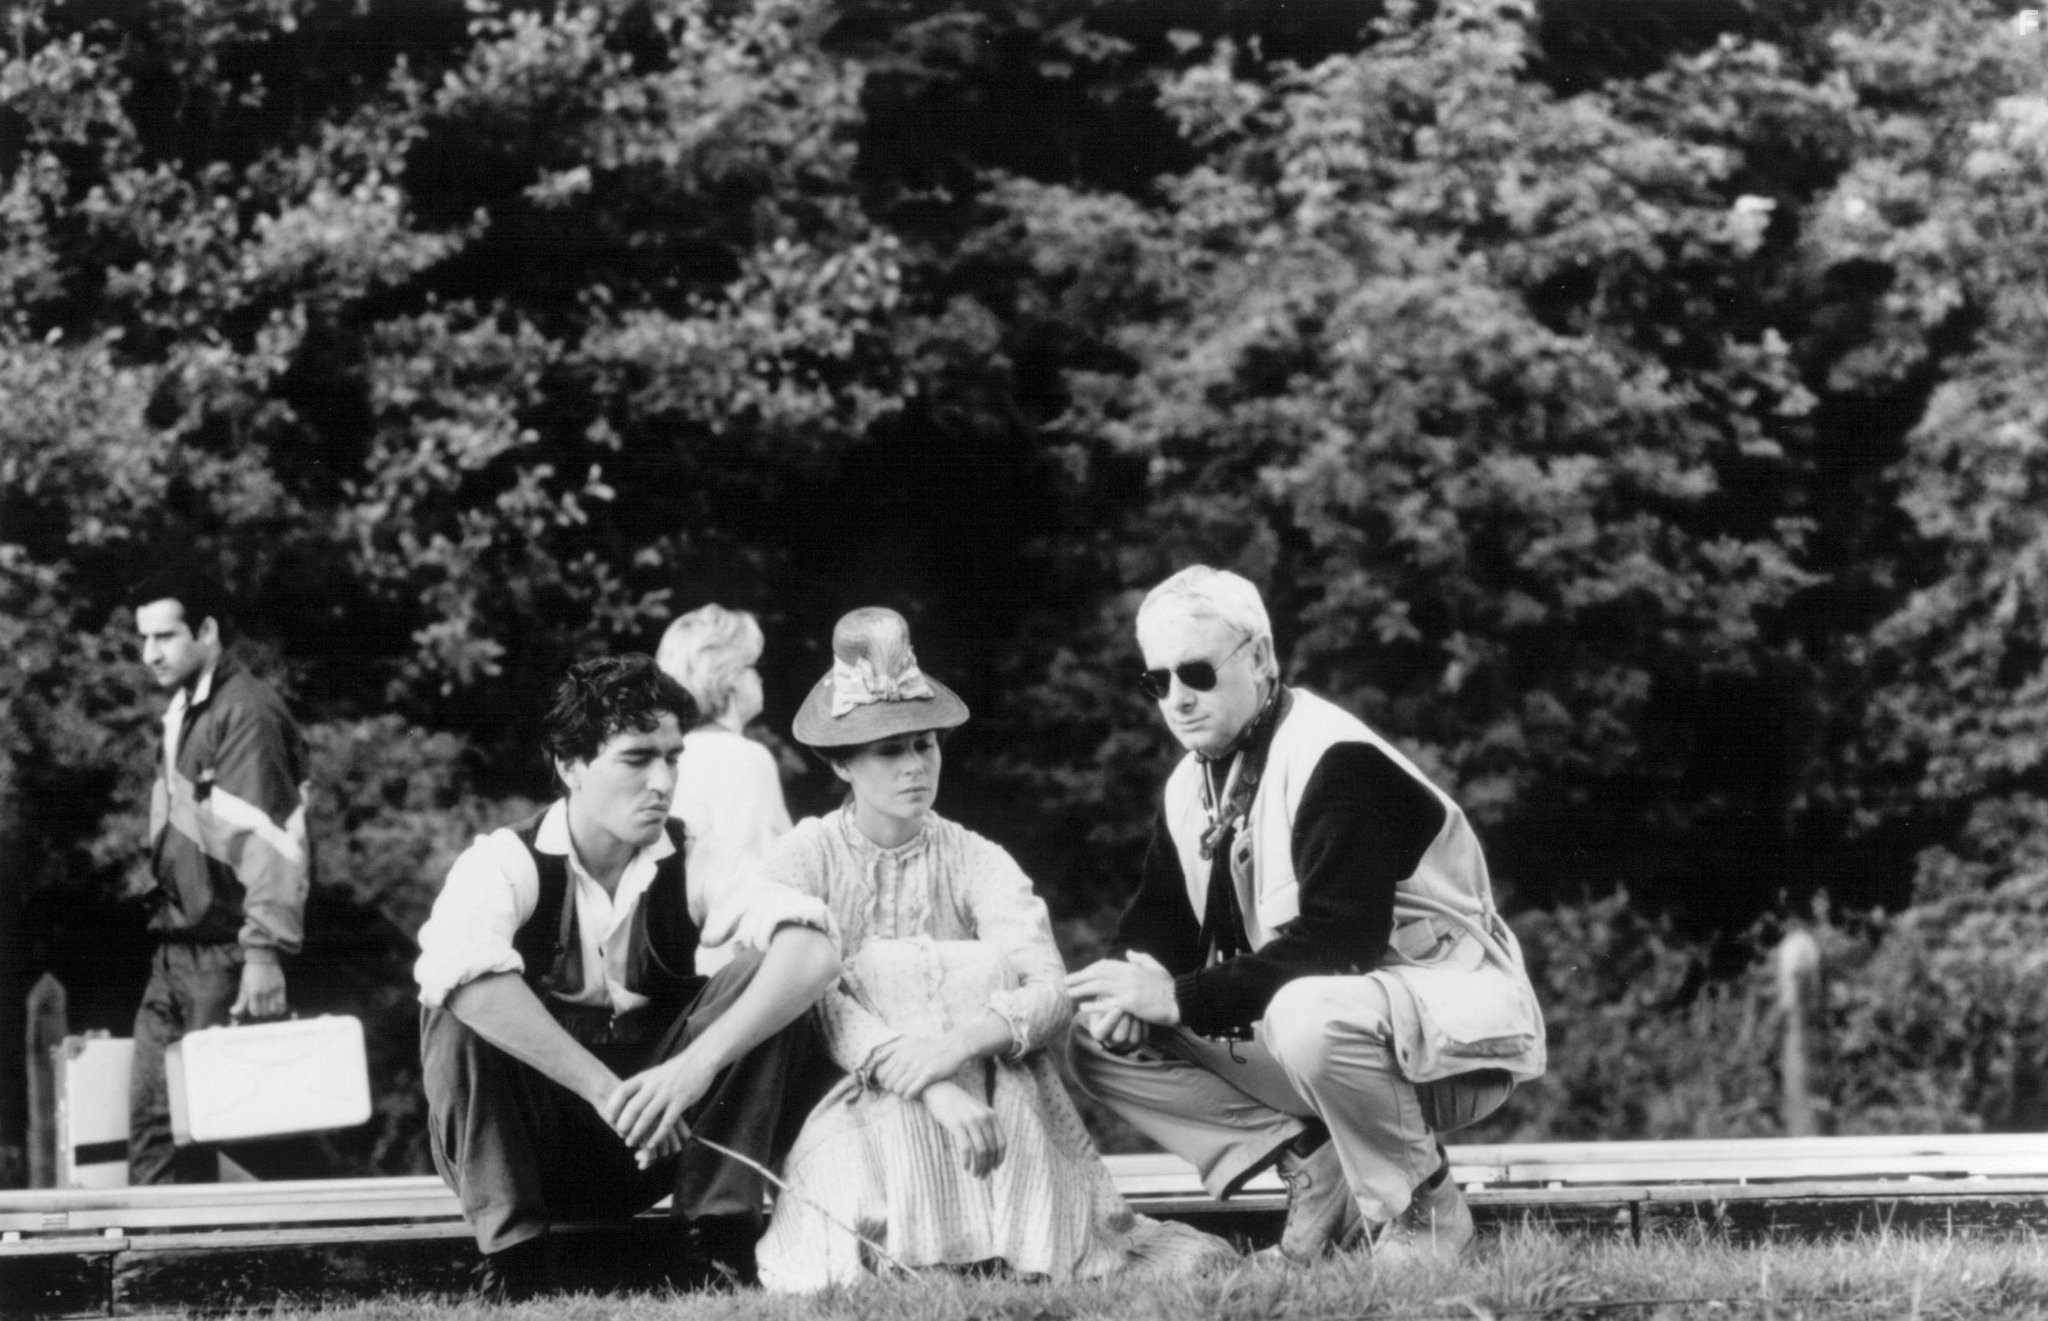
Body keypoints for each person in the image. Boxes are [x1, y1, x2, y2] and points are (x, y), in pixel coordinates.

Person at [1065, 566, 1546, 1268]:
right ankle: (1316, 1166)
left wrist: (1174, 996)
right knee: (1097, 1036)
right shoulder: (1194, 777)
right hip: (1323, 1039)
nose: (1177, 699)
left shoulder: (1338, 758)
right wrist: (1130, 980)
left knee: (1306, 1011)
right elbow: (1157, 923)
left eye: (1195, 672)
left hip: (1444, 1041)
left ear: (1260, 657)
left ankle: (1426, 1208)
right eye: (1156, 681)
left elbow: (1337, 943)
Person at [753, 607, 1233, 1291]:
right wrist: (931, 1084)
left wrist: (955, 1048)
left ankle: (1011, 1228)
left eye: (926, 745)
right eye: (890, 751)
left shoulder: (976, 857)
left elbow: (1048, 988)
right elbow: (820, 1005)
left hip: (992, 1091)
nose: (915, 767)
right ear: (841, 762)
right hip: (857, 1099)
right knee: (878, 976)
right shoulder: (806, 854)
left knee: (984, 970)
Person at [413, 654, 842, 1301]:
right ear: (571, 765)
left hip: (660, 1149)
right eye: (637, 758)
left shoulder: (693, 855)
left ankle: (719, 1241)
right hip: (533, 1152)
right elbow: (462, 975)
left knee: (764, 971)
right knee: (456, 994)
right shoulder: (505, 862)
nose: (662, 781)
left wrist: (692, 1068)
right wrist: (607, 1092)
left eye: (672, 758)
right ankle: (514, 1259)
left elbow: (813, 951)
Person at [128, 568, 311, 1185]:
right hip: (173, 951)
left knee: (250, 1135)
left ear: (206, 630)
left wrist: (263, 952)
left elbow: (275, 846)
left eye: (166, 635)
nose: (151, 653)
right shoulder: (185, 710)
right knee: (155, 1129)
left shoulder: (247, 713)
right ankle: (148, 1276)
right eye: (144, 638)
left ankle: (339, 1253)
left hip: (227, 955)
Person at [655, 604, 793, 974]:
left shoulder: (664, 758)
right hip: (735, 966)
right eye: (754, 667)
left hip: (671, 961)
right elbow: (774, 872)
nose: (760, 679)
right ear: (729, 678)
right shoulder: (746, 758)